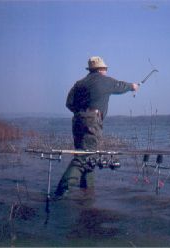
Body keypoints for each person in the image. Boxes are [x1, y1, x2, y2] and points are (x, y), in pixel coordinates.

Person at [54, 56, 138, 198]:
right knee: (84, 158)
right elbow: (122, 86)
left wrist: (81, 113)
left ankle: (87, 192)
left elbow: (69, 103)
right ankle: (61, 192)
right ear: (101, 69)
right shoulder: (105, 81)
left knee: (86, 155)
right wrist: (133, 86)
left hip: (77, 121)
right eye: (105, 69)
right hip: (92, 121)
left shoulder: (79, 83)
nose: (106, 71)